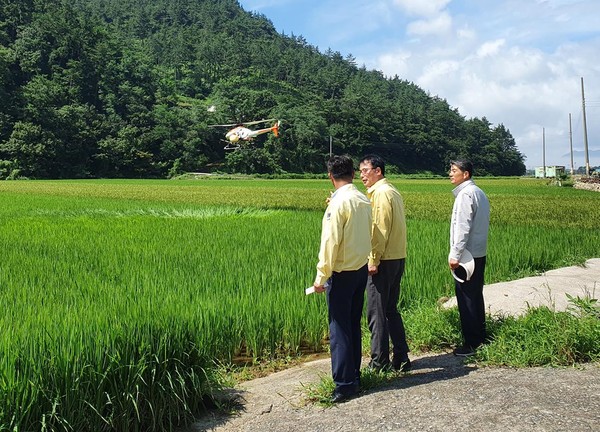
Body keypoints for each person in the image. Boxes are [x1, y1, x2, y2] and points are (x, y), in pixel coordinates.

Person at [313, 155, 372, 403]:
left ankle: (344, 384)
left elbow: (330, 243)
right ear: (353, 174)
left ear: (330, 175)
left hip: (341, 273)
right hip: (360, 270)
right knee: (352, 324)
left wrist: (320, 277)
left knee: (339, 328)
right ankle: (354, 376)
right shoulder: (362, 198)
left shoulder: (338, 204)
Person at [358, 154, 411, 372]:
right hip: (397, 257)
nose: (362, 175)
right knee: (390, 309)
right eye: (360, 171)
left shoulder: (380, 194)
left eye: (365, 170)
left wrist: (373, 259)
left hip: (384, 260)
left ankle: (379, 362)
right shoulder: (392, 191)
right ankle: (401, 356)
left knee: (376, 312)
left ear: (378, 171)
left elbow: (378, 230)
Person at [448, 159, 490, 357]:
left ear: (465, 174)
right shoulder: (479, 192)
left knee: (466, 299)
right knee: (474, 296)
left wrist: (455, 255)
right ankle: (480, 338)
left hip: (467, 256)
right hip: (478, 253)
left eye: (454, 170)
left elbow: (462, 228)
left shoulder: (465, 195)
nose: (450, 173)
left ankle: (472, 344)